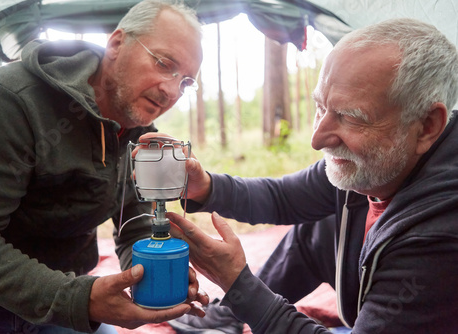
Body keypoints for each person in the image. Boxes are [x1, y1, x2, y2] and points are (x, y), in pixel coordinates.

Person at [146, 17, 458, 333]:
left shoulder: (442, 233)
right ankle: (228, 319)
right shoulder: (377, 166)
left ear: (427, 125)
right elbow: (286, 197)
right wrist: (205, 188)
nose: (317, 139)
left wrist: (239, 286)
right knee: (321, 224)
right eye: (321, 108)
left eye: (351, 117)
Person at [0, 1, 209, 333]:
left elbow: (133, 219)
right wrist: (80, 300)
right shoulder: (9, 103)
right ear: (117, 43)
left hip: (62, 304)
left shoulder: (139, 137)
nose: (171, 90)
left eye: (186, 82)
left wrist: (155, 269)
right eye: (164, 63)